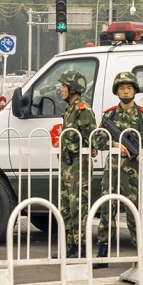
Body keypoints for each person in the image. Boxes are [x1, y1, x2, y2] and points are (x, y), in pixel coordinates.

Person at [91, 72, 143, 269]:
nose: (125, 91)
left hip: (134, 172)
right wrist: (116, 144)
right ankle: (103, 252)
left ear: (135, 90)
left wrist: (140, 152)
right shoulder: (109, 116)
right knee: (106, 209)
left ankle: (140, 253)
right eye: (121, 88)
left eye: (129, 88)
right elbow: (98, 138)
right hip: (112, 170)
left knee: (134, 211)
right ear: (117, 91)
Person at [54, 70, 97, 259]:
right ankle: (70, 245)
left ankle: (81, 246)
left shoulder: (82, 110)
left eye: (64, 86)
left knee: (78, 207)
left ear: (73, 89)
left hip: (79, 164)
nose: (61, 89)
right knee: (66, 208)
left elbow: (92, 139)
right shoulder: (69, 110)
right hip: (67, 165)